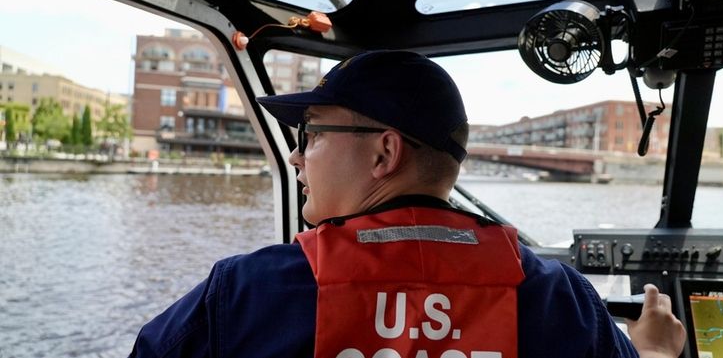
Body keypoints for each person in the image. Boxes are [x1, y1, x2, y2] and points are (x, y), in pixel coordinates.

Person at [129, 50, 685, 358]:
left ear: (384, 153)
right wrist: (655, 352)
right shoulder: (558, 300)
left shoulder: (246, 296)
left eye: (312, 135)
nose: (297, 158)